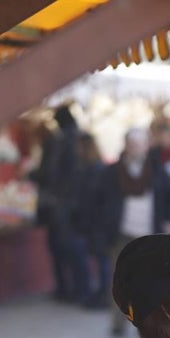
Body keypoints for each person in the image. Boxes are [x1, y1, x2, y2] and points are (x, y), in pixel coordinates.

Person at [97, 128, 170, 336]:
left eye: (140, 144)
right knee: (119, 282)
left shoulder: (158, 170)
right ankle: (118, 324)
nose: (136, 148)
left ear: (146, 146)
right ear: (126, 146)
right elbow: (97, 201)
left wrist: (169, 221)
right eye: (132, 144)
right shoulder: (112, 172)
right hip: (122, 235)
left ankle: (149, 325)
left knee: (151, 282)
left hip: (150, 236)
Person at [32, 104, 89, 304]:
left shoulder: (60, 142)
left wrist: (32, 175)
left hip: (62, 203)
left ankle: (68, 289)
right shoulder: (79, 138)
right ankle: (78, 289)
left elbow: (50, 174)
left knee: (64, 248)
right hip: (76, 203)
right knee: (74, 249)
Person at [71, 132, 110, 308]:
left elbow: (95, 198)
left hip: (97, 223)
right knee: (99, 259)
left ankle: (105, 295)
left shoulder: (96, 170)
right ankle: (100, 293)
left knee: (102, 260)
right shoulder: (87, 168)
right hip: (91, 222)